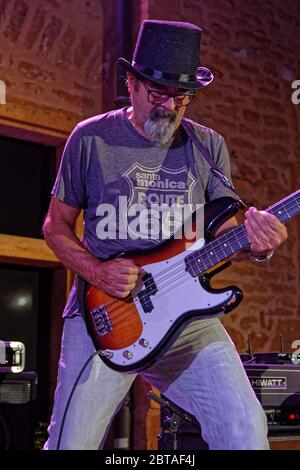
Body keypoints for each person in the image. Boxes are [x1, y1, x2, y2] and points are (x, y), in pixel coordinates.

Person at [43, 20, 287, 450]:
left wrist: (258, 244)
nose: (170, 107)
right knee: (71, 443)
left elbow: (226, 227)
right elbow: (55, 227)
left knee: (245, 428)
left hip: (186, 319)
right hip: (105, 313)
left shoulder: (208, 145)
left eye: (182, 97)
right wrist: (96, 273)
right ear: (131, 83)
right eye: (158, 93)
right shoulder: (91, 137)